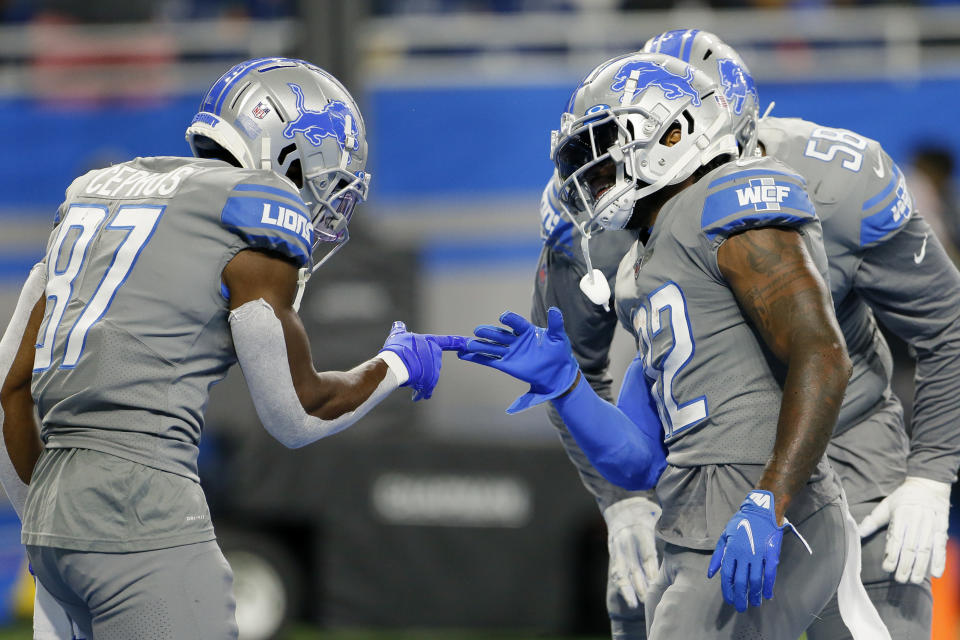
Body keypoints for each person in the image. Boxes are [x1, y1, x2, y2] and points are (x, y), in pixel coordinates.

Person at [0, 56, 464, 639]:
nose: (326, 205)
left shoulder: (96, 196)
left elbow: (10, 390)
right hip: (144, 509)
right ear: (289, 154)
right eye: (327, 182)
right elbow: (297, 413)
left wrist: (47, 519)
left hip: (51, 523)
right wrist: (394, 365)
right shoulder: (255, 210)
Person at [542, 28, 960, 640]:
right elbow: (570, 362)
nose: (605, 160)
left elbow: (946, 325)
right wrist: (621, 502)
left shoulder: (839, 181)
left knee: (873, 598)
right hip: (700, 466)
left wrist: (931, 473)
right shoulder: (593, 210)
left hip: (848, 442)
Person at [460, 51, 869, 639]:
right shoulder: (639, 268)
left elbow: (823, 354)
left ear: (674, 131)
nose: (593, 175)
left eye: (606, 149)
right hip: (691, 514)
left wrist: (770, 502)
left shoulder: (730, 201)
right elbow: (638, 461)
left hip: (766, 506)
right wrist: (567, 386)